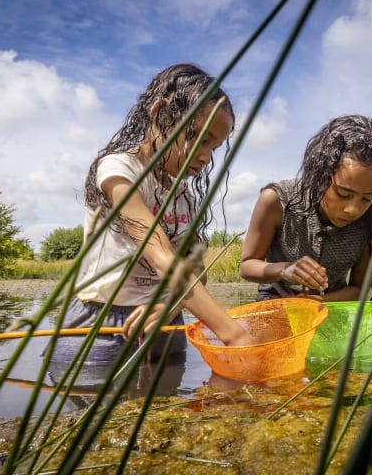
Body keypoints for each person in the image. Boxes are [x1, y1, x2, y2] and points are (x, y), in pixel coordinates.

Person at [51, 63, 252, 366]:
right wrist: (234, 335)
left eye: (215, 147)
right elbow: (160, 254)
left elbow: (197, 269)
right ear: (160, 114)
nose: (206, 156)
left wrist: (171, 305)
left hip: (166, 325)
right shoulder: (118, 170)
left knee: (168, 413)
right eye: (199, 136)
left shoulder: (183, 196)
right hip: (102, 327)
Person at [239, 114, 372, 302]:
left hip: (333, 305)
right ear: (320, 177)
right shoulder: (275, 201)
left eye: (367, 199)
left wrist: (317, 303)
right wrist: (285, 269)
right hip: (276, 301)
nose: (353, 210)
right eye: (343, 194)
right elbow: (247, 266)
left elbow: (358, 288)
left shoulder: (370, 223)